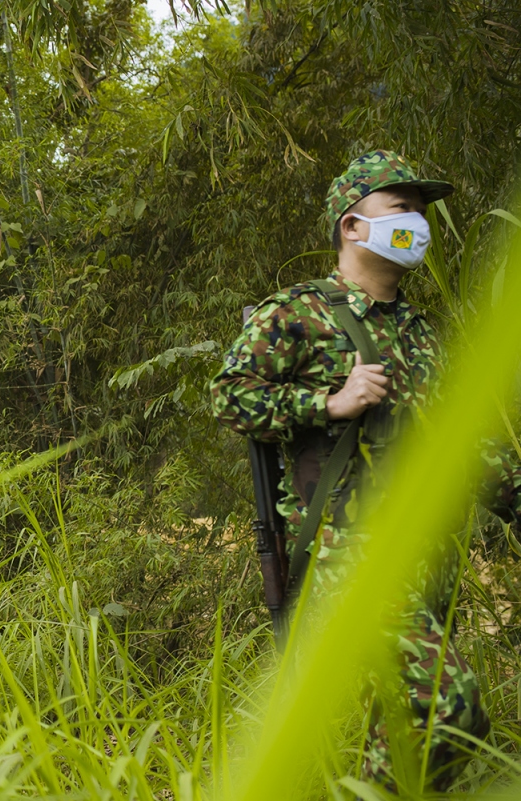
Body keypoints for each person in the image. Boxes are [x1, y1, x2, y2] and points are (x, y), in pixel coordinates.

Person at [210, 150, 521, 793]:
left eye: (422, 211)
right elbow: (228, 397)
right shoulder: (296, 313)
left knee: (413, 723)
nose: (418, 222)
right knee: (447, 704)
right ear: (353, 227)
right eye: (401, 208)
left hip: (423, 549)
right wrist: (327, 402)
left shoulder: (417, 331)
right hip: (345, 549)